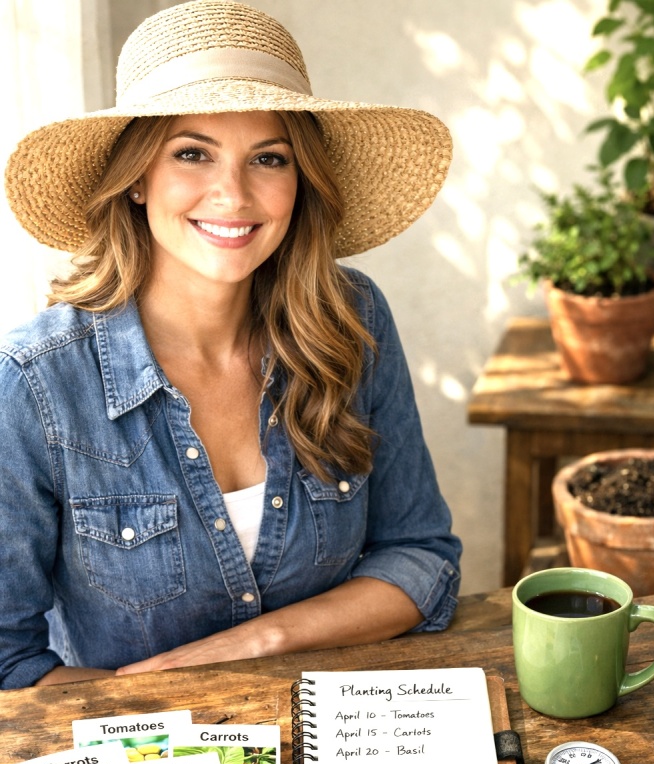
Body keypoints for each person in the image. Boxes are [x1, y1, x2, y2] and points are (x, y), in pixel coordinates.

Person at [1, 0, 461, 690]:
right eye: (192, 153)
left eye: (268, 159)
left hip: (349, 739)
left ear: (299, 181)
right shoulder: (35, 384)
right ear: (136, 179)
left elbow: (419, 557)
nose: (233, 194)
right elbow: (11, 663)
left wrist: (259, 643)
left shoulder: (350, 319)